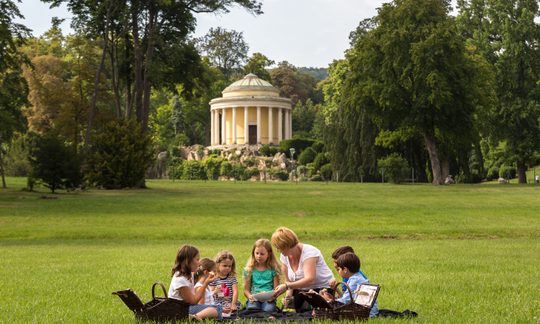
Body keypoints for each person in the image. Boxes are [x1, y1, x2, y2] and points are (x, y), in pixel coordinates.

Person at [271, 227, 334, 313]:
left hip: (321, 290)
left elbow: (310, 279)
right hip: (302, 291)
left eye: (279, 248)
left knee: (307, 311)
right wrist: (288, 297)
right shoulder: (284, 256)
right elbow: (288, 281)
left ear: (288, 245)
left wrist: (286, 286)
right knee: (288, 311)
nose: (278, 251)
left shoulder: (309, 253)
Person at [168, 245, 220, 320]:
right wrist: (206, 283)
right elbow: (193, 301)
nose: (199, 263)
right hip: (180, 311)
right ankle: (195, 317)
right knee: (217, 309)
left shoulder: (189, 274)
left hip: (186, 307)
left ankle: (196, 316)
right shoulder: (180, 279)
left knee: (216, 308)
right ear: (188, 261)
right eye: (197, 259)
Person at [321, 252, 379, 318]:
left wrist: (328, 301)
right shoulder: (355, 278)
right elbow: (348, 298)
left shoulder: (355, 280)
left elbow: (344, 301)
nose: (338, 271)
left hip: (367, 315)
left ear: (345, 270)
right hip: (367, 312)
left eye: (338, 269)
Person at [243, 239, 281, 313]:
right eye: (257, 253)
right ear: (253, 253)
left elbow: (276, 289)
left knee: (269, 310)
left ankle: (270, 309)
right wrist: (249, 296)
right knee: (252, 309)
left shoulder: (273, 269)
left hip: (268, 299)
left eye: (262, 254)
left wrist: (272, 297)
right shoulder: (249, 269)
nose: (259, 256)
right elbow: (246, 290)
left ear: (269, 254)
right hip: (254, 298)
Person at [209, 251, 241, 315]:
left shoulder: (232, 278)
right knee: (214, 309)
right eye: (225, 265)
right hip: (218, 302)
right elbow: (210, 293)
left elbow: (235, 291)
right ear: (217, 265)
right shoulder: (214, 278)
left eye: (229, 266)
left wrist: (233, 304)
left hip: (230, 302)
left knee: (231, 311)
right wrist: (215, 291)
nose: (227, 268)